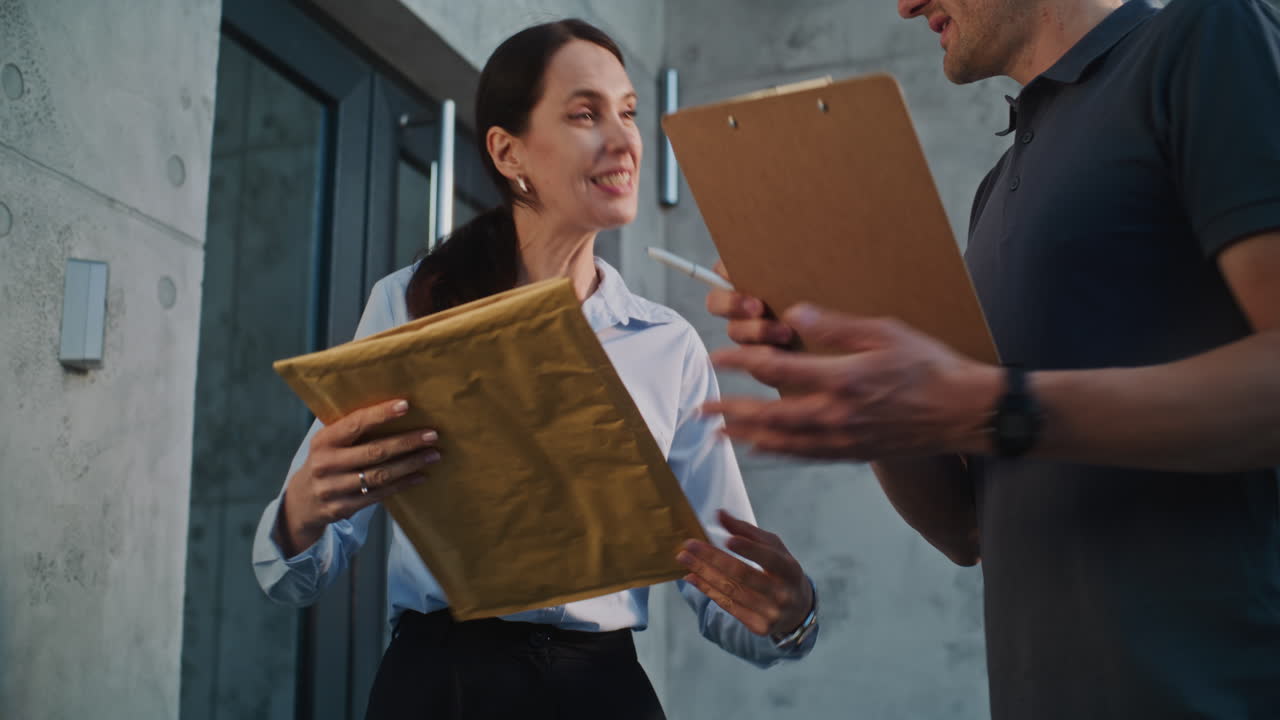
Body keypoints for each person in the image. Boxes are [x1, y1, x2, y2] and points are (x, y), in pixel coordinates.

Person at [701, 0, 1280, 717]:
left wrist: (993, 407)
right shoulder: (994, 192)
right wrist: (835, 370)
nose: (906, 5)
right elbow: (966, 529)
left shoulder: (1208, 36)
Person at [252, 19, 818, 720]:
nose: (623, 139)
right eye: (586, 114)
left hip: (602, 693)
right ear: (508, 151)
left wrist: (789, 615)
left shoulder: (668, 345)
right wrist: (305, 508)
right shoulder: (408, 304)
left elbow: (720, 586)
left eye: (629, 113)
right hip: (438, 689)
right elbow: (290, 573)